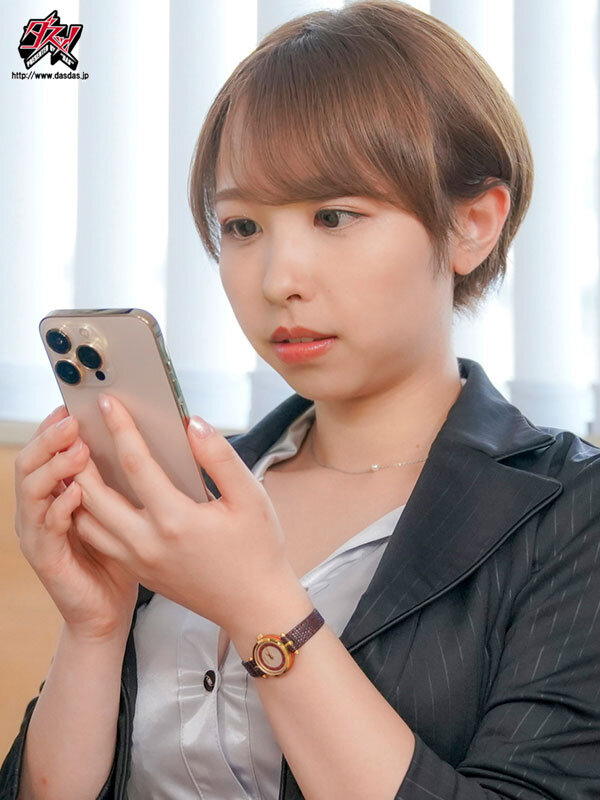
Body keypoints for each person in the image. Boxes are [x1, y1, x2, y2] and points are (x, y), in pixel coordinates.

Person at [2, 1, 600, 798]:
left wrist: (260, 605)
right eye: (242, 227)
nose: (279, 278)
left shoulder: (570, 511)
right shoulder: (187, 499)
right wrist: (94, 628)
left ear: (472, 224)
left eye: (333, 215)